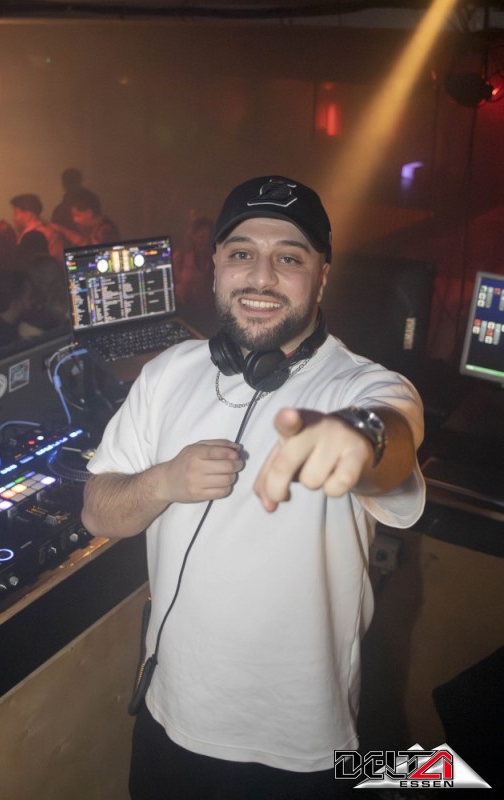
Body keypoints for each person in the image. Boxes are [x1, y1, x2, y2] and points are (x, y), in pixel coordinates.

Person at [82, 175, 425, 800]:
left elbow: (392, 435)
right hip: (168, 714)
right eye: (242, 253)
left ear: (322, 276)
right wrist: (164, 480)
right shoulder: (167, 374)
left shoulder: (363, 387)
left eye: (289, 258)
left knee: (427, 780)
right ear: (216, 265)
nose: (261, 277)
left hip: (303, 747)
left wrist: (359, 440)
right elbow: (98, 512)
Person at [174, 215, 218, 335]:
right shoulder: (180, 259)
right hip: (185, 317)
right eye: (201, 237)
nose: (204, 241)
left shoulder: (217, 262)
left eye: (208, 237)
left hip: (210, 318)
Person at [10, 193, 66, 264]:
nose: (13, 218)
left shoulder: (41, 235)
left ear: (28, 214)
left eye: (16, 213)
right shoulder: (51, 231)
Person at [53, 187, 120, 246]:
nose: (74, 220)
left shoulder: (105, 230)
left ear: (89, 213)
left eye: (77, 215)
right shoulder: (92, 228)